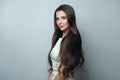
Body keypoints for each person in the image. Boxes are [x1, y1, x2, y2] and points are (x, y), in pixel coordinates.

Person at [48, 4, 84, 80]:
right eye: (57, 19)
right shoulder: (57, 37)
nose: (59, 22)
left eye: (63, 18)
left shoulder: (74, 39)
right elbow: (52, 68)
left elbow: (62, 73)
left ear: (70, 18)